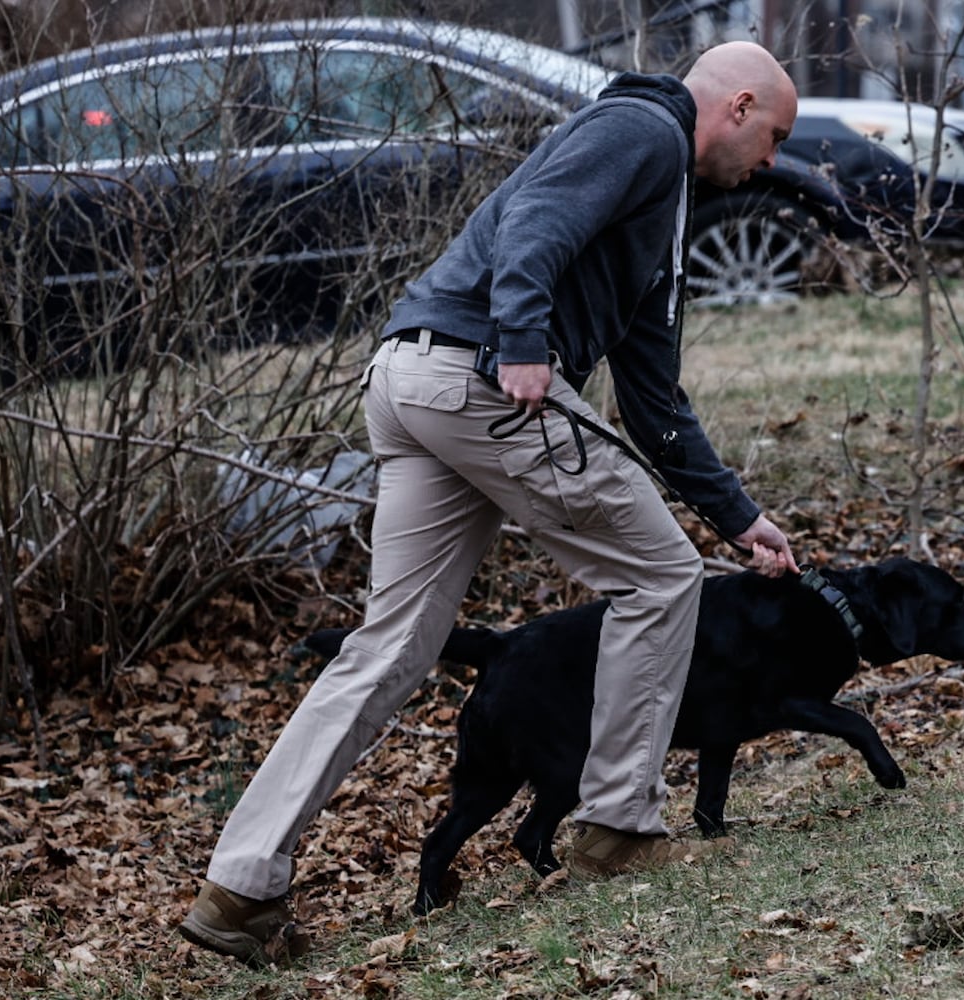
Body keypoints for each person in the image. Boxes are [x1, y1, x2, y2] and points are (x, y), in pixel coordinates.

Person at [179, 41, 800, 963]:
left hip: (413, 379)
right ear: (738, 105)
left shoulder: (661, 196)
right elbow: (536, 221)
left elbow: (655, 400)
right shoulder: (644, 128)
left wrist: (739, 516)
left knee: (390, 645)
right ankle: (619, 826)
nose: (773, 163)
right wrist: (521, 340)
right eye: (774, 138)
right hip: (484, 376)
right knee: (664, 578)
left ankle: (240, 887)